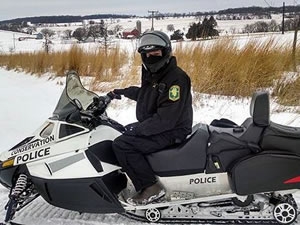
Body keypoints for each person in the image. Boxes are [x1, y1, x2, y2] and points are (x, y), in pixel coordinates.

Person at [109, 30, 193, 205]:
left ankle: (151, 187)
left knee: (123, 144)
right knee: (122, 132)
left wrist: (137, 129)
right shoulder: (156, 73)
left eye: (155, 53)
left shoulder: (176, 78)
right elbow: (149, 94)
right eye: (147, 54)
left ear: (166, 52)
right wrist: (125, 92)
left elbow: (167, 119)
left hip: (173, 130)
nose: (151, 58)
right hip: (162, 125)